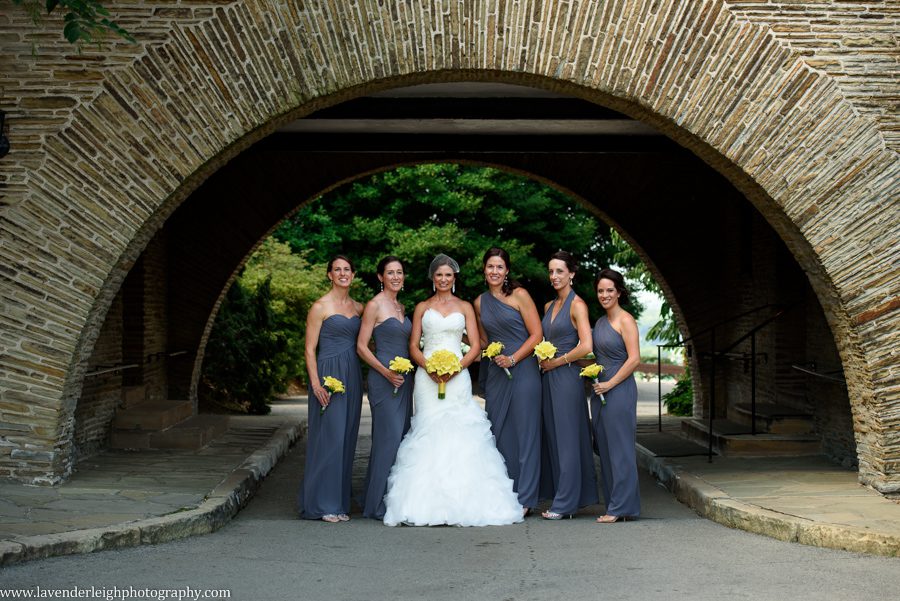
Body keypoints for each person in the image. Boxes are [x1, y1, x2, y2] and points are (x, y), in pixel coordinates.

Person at [382, 254, 523, 527]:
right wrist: (429, 367)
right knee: (428, 430)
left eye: (448, 275)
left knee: (461, 431)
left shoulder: (466, 306)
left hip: (458, 376)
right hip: (427, 377)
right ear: (433, 278)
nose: (444, 279)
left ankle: (463, 501)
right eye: (439, 275)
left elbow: (475, 346)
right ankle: (424, 503)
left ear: (454, 279)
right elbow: (413, 346)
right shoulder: (422, 307)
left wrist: (457, 368)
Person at [474, 247, 543, 514]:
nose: (494, 271)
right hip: (495, 375)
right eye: (490, 266)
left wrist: (513, 359)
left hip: (522, 369)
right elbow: (482, 342)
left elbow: (536, 334)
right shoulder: (479, 303)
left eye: (499, 267)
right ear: (484, 270)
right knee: (499, 433)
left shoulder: (520, 295)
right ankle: (505, 493)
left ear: (507, 271)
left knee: (526, 433)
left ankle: (526, 499)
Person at [298, 255, 364, 523]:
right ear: (329, 275)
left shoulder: (359, 307)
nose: (342, 273)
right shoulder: (319, 307)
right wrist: (315, 383)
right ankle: (321, 503)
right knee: (329, 438)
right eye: (337, 270)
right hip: (328, 375)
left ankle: (338, 502)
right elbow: (309, 349)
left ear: (353, 274)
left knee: (347, 437)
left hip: (353, 375)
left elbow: (366, 342)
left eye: (347, 269)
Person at [538, 251, 600, 520]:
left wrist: (559, 361)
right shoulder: (548, 306)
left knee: (567, 440)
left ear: (572, 273)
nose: (554, 276)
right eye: (551, 272)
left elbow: (587, 345)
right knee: (553, 436)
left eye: (559, 271)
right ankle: (567, 496)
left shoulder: (578, 305)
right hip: (548, 377)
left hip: (565, 378)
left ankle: (565, 504)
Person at [356, 256, 413, 520]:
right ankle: (376, 503)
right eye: (390, 273)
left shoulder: (402, 307)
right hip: (383, 379)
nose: (395, 277)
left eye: (399, 272)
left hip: (404, 381)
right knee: (387, 439)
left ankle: (390, 498)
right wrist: (386, 372)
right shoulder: (374, 305)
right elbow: (361, 346)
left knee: (400, 438)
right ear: (380, 277)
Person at [590, 268, 641, 523]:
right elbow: (595, 357)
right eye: (600, 291)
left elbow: (634, 359)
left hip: (618, 390)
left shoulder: (626, 320)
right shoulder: (599, 322)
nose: (605, 295)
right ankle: (613, 503)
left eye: (610, 290)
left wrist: (610, 383)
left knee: (620, 449)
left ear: (619, 292)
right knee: (606, 449)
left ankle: (621, 507)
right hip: (599, 391)